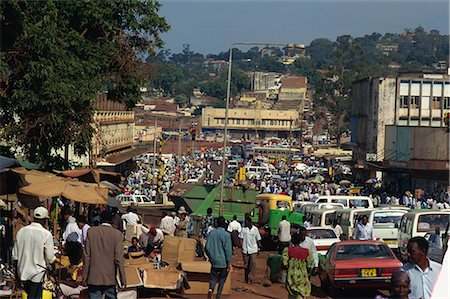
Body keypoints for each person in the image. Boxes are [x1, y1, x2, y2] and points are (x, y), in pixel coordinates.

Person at [12, 206, 56, 299]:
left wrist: (16, 275)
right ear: (44, 220)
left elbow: (15, 256)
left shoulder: (21, 231)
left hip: (23, 272)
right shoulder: (46, 234)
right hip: (37, 273)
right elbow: (50, 257)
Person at [83, 210, 126, 299]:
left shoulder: (91, 232)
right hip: (109, 278)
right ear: (112, 220)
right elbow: (119, 258)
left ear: (100, 219)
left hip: (94, 277)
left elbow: (87, 256)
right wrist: (123, 279)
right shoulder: (117, 234)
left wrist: (84, 276)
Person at [205, 216, 232, 299]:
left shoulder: (211, 233)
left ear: (216, 223)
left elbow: (207, 248)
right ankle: (218, 295)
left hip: (214, 261)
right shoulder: (226, 235)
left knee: (213, 278)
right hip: (223, 261)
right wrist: (228, 262)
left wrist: (210, 257)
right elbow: (228, 250)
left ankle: (210, 289)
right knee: (222, 279)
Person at [282, 232, 313, 299]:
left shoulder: (287, 250)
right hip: (303, 277)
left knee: (291, 295)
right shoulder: (307, 252)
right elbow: (310, 265)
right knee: (301, 295)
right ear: (301, 241)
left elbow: (284, 264)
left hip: (291, 277)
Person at [239, 217, 262, 284]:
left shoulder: (255, 229)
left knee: (253, 263)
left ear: (249, 222)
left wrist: (259, 248)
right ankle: (246, 278)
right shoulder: (243, 229)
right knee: (246, 265)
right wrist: (241, 246)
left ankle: (251, 278)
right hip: (245, 249)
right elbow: (241, 238)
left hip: (253, 250)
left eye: (246, 222)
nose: (245, 224)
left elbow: (258, 239)